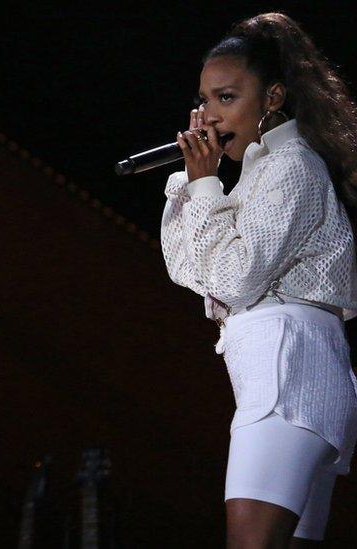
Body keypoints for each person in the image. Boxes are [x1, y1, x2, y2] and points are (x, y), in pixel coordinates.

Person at [161, 13, 357, 547]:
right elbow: (189, 269)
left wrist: (205, 189)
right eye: (204, 100)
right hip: (289, 376)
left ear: (272, 98)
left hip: (287, 375)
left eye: (227, 97)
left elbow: (236, 279)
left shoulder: (292, 166)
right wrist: (189, 183)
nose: (209, 115)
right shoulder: (258, 171)